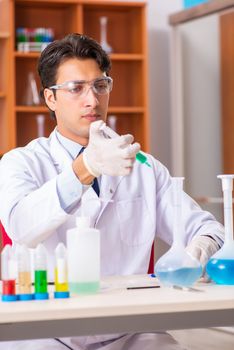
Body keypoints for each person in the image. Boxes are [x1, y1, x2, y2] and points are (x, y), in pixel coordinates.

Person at [0, 33, 224, 350]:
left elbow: (208, 228)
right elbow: (22, 228)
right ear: (50, 98)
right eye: (75, 88)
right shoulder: (20, 163)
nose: (92, 99)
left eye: (100, 85)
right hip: (44, 331)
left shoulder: (145, 167)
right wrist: (85, 167)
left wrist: (202, 247)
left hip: (129, 331)